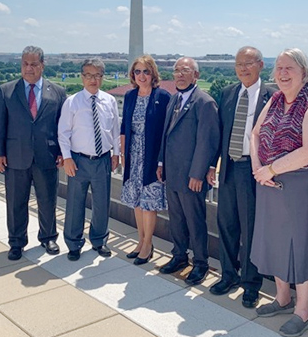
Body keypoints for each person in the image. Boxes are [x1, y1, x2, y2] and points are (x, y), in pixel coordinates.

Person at [250, 48, 308, 337]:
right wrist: (258, 168)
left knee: (302, 243)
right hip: (270, 182)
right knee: (274, 239)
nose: (283, 73)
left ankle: (303, 310)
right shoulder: (275, 99)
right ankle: (282, 297)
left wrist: (270, 169)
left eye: (289, 68)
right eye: (279, 68)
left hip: (305, 184)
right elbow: (255, 134)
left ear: (303, 72)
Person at [207, 46, 275, 308]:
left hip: (253, 170)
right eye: (238, 64)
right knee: (226, 224)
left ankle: (250, 283)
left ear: (260, 65)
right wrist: (212, 165)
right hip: (229, 168)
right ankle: (228, 276)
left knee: (251, 228)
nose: (243, 68)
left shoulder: (272, 96)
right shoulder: (227, 94)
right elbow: (219, 133)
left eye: (248, 63)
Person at [0, 46, 67, 261]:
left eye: (34, 64)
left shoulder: (58, 92)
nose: (29, 68)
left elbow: (62, 126)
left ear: (42, 65)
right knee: (16, 202)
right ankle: (16, 242)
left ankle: (49, 237)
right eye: (25, 63)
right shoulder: (7, 90)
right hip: (15, 156)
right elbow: (0, 125)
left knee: (47, 201)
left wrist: (63, 152)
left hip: (47, 156)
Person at [156, 57, 219, 286]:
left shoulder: (205, 102)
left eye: (185, 70)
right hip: (172, 171)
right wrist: (161, 163)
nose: (180, 74)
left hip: (191, 176)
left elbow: (207, 142)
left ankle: (200, 262)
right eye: (176, 70)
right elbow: (167, 134)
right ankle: (179, 256)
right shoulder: (173, 99)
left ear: (196, 75)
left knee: (195, 221)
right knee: (176, 219)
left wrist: (197, 174)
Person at [58, 58, 120, 261]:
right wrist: (67, 158)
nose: (93, 80)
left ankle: (99, 240)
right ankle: (74, 243)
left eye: (97, 75)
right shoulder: (72, 101)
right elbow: (63, 132)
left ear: (103, 77)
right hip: (78, 159)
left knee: (102, 203)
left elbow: (115, 130)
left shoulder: (109, 101)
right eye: (88, 75)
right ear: (82, 77)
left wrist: (116, 153)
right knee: (75, 202)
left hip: (102, 159)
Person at [120, 55, 171, 265]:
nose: (142, 76)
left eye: (146, 71)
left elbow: (166, 132)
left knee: (149, 202)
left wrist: (161, 162)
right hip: (133, 155)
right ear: (133, 75)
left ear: (153, 74)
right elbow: (124, 127)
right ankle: (140, 241)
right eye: (137, 72)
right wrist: (124, 154)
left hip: (151, 156)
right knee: (136, 202)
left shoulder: (163, 97)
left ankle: (148, 244)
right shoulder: (130, 96)